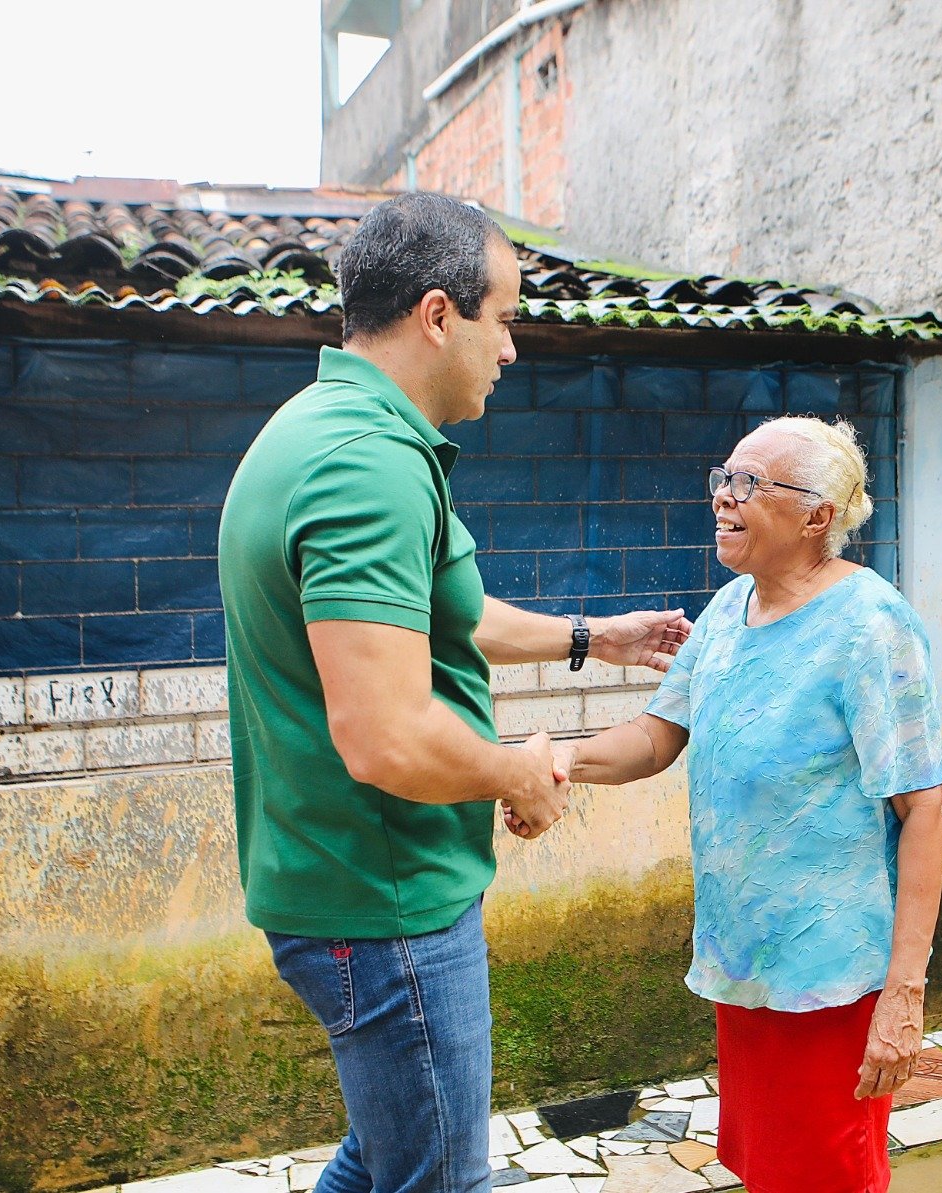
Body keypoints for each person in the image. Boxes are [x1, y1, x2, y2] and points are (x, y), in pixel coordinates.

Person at [218, 192, 691, 1193]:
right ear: (439, 315)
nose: (512, 348)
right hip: (383, 897)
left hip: (345, 879)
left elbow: (441, 615)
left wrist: (586, 638)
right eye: (506, 317)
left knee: (385, 1156)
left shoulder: (326, 428)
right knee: (436, 1176)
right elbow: (387, 735)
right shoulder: (368, 467)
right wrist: (514, 771)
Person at [521, 415, 942, 1193]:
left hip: (829, 981)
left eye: (750, 483)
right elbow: (655, 736)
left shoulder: (870, 626)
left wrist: (904, 994)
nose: (724, 496)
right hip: (748, 968)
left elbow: (923, 808)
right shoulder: (728, 612)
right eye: (724, 477)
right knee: (770, 1169)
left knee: (828, 1175)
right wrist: (559, 761)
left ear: (818, 515)